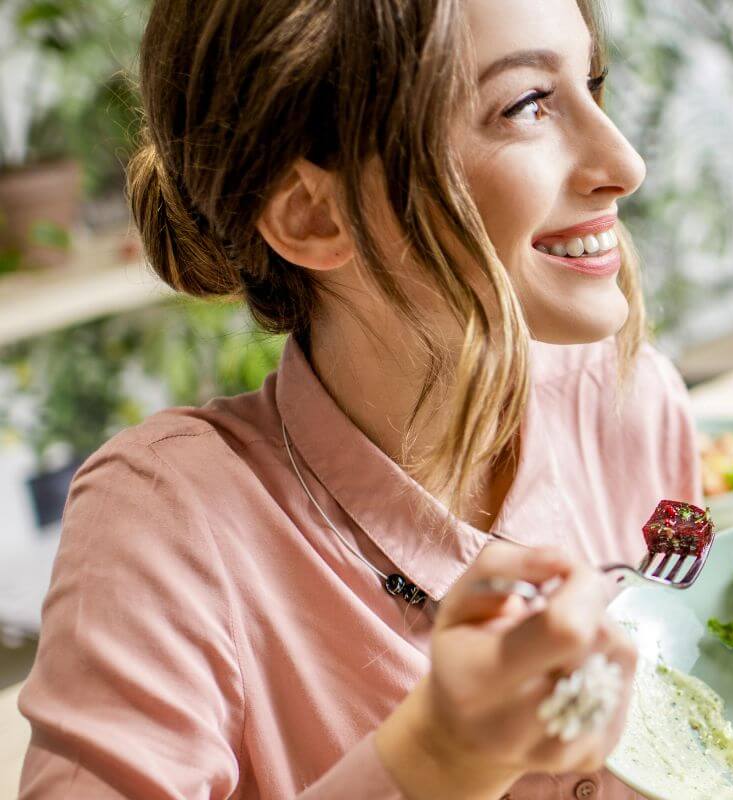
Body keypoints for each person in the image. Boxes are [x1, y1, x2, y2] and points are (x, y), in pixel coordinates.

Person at [18, 0, 698, 797]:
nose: (624, 161)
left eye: (591, 81)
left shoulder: (631, 399)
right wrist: (436, 760)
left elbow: (693, 670)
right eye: (526, 105)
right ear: (311, 214)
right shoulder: (165, 524)